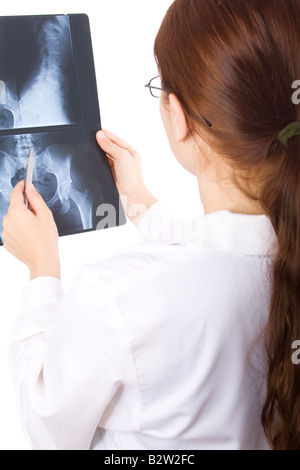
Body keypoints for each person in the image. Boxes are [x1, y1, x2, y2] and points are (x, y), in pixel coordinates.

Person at [3, 0, 300, 451]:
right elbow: (217, 264)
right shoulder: (285, 252)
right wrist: (139, 201)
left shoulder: (116, 295)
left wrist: (42, 270)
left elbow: (48, 429)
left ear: (177, 116)